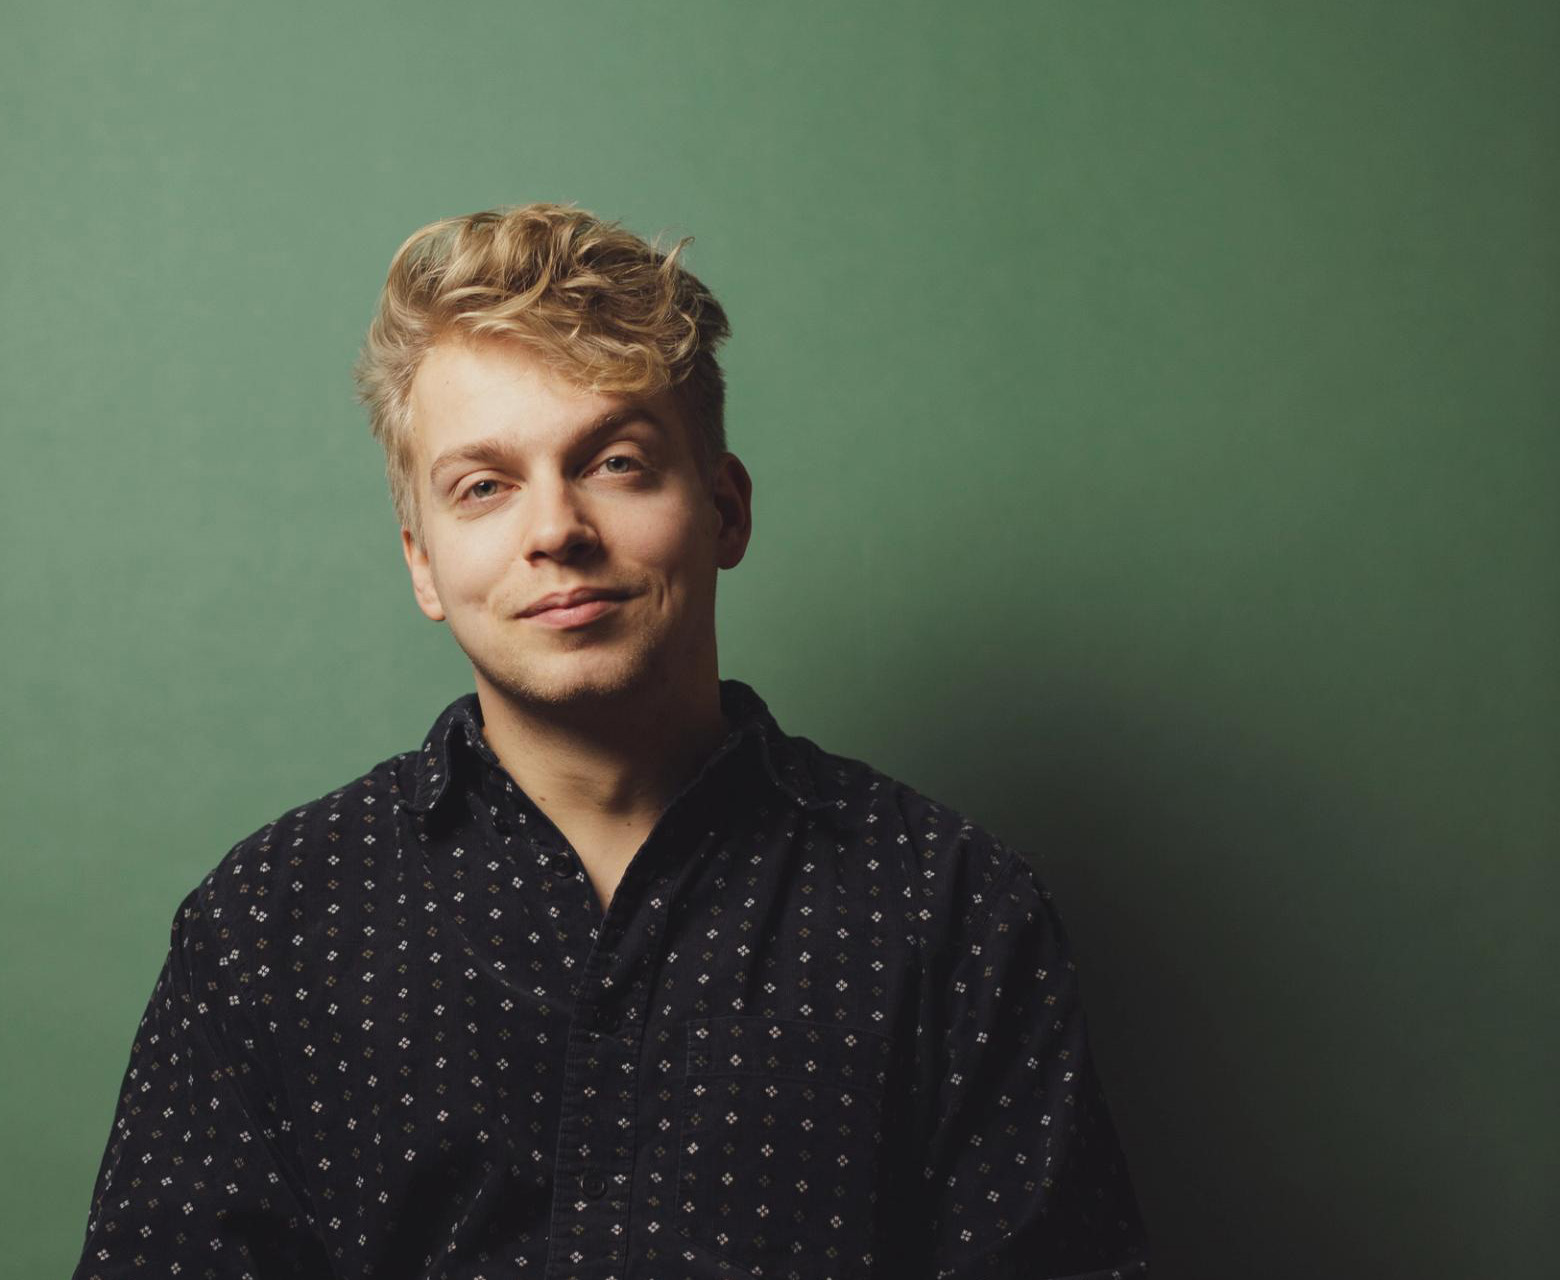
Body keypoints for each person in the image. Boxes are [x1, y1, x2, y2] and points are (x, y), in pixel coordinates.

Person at [69, 202, 1149, 1279]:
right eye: (484, 486)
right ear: (421, 561)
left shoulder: (950, 909)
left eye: (617, 462)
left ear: (723, 509)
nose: (555, 532)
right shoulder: (268, 929)